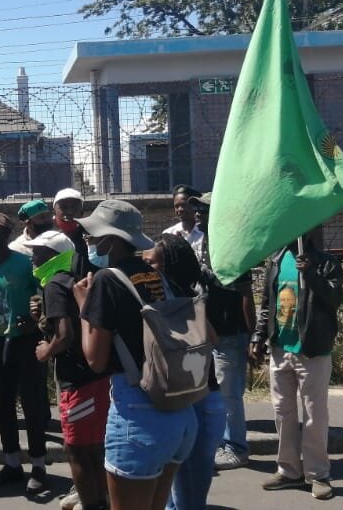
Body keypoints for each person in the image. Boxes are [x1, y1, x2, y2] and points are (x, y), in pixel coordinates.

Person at [76, 199, 187, 510]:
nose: (91, 243)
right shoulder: (157, 276)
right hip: (176, 407)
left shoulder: (106, 280)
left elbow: (95, 360)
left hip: (137, 410)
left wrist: (83, 306)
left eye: (95, 237)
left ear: (111, 240)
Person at [250, 228, 343, 501]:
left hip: (312, 350)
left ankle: (318, 475)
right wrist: (258, 336)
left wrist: (312, 274)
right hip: (280, 348)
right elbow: (267, 303)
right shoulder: (276, 261)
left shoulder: (326, 262)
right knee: (283, 412)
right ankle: (289, 470)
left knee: (314, 416)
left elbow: (335, 299)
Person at [28, 230, 108, 510]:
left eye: (38, 252)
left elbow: (64, 336)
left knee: (75, 449)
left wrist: (45, 351)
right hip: (96, 374)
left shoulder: (54, 285)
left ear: (54, 255)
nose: (33, 258)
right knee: (94, 446)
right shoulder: (78, 279)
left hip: (76, 379)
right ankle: (101, 501)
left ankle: (90, 504)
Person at [0, 212, 49, 493]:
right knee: (4, 404)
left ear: (5, 236)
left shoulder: (23, 264)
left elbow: (40, 294)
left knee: (31, 404)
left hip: (26, 340)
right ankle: (12, 463)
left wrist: (33, 316)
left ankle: (39, 465)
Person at [147, 235, 224, 510]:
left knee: (190, 481)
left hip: (200, 397)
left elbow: (211, 338)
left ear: (167, 266)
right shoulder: (174, 295)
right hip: (191, 394)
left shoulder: (184, 298)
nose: (146, 263)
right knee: (180, 476)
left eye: (152, 260)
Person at [181, 193, 256, 472]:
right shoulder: (204, 243)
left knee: (228, 395)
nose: (198, 212)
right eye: (197, 208)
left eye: (205, 208)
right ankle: (219, 444)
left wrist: (252, 336)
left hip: (229, 333)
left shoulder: (233, 247)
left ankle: (236, 447)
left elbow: (247, 295)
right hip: (208, 332)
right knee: (210, 393)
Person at [52, 188, 95, 282]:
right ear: (54, 212)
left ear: (82, 212)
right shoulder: (50, 243)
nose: (70, 212)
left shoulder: (94, 240)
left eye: (74, 207)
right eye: (63, 207)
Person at [161, 186, 204, 250]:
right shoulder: (169, 234)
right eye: (176, 206)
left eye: (184, 205)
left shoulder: (204, 233)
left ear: (194, 205)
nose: (180, 209)